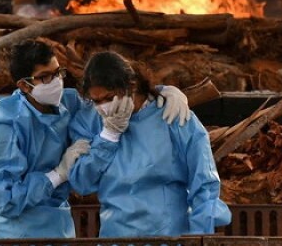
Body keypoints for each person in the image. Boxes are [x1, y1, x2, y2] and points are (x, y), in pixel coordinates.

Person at [0, 40, 191, 239]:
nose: (55, 82)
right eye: (45, 77)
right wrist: (56, 175)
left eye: (57, 73)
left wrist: (161, 91)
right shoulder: (3, 126)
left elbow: (111, 95)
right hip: (16, 233)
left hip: (59, 225)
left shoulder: (67, 102)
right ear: (24, 85)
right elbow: (5, 200)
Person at [68, 51, 232, 238]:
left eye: (109, 97)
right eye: (96, 101)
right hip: (115, 236)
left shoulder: (172, 115)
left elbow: (204, 183)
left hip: (170, 236)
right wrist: (107, 137)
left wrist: (200, 236)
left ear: (132, 86)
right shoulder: (90, 121)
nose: (103, 106)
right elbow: (81, 182)